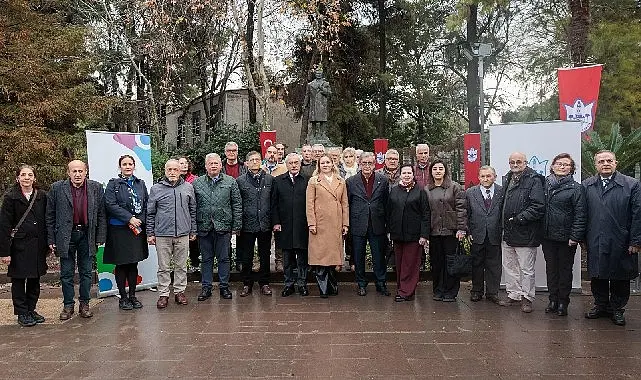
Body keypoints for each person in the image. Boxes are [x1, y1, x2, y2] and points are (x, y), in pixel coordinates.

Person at [583, 150, 641, 326]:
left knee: (620, 276)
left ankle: (617, 309)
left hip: (621, 240)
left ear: (616, 163)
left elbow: (638, 214)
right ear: (596, 165)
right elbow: (583, 213)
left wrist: (636, 241)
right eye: (601, 161)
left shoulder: (631, 184)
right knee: (597, 274)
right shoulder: (587, 185)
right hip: (595, 238)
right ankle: (600, 305)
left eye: (609, 160)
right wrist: (582, 238)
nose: (605, 164)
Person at [47, 160, 106, 320]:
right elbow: (50, 215)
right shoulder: (57, 188)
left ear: (86, 171)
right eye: (74, 171)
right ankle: (68, 305)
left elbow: (101, 214)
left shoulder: (96, 187)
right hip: (66, 236)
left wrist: (100, 236)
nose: (78, 174)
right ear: (68, 173)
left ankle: (84, 304)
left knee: (86, 272)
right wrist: (51, 238)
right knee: (66, 273)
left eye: (81, 171)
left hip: (87, 235)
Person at [0, 165, 49, 327]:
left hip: (38, 245)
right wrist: (4, 252)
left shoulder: (42, 196)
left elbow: (47, 220)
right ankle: (21, 312)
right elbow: (4, 226)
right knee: (19, 280)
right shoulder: (11, 197)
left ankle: (31, 309)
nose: (26, 178)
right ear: (17, 178)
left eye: (30, 175)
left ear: (34, 178)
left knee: (35, 279)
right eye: (23, 175)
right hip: (18, 246)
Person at [146, 159, 197, 308]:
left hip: (183, 233)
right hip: (163, 234)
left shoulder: (188, 187)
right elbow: (150, 213)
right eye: (170, 169)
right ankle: (163, 294)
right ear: (165, 170)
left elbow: (192, 210)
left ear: (180, 170)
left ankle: (179, 292)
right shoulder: (156, 189)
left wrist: (193, 230)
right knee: (163, 267)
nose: (173, 172)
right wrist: (150, 233)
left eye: (175, 169)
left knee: (181, 266)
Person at [499, 152, 545, 313]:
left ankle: (527, 298)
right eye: (512, 161)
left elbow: (538, 206)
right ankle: (514, 294)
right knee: (510, 266)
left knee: (526, 268)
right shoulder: (508, 178)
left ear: (526, 163)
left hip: (525, 231)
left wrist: (519, 218)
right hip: (508, 232)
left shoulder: (534, 180)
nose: (515, 164)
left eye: (519, 161)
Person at [192, 153, 242, 301]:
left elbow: (237, 204)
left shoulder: (231, 181)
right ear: (206, 166)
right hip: (204, 226)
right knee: (206, 259)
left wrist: (236, 225)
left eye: (216, 163)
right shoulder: (197, 183)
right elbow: (192, 206)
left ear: (221, 165)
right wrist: (194, 227)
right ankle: (206, 287)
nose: (213, 166)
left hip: (223, 226)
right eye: (210, 163)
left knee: (224, 258)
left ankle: (224, 287)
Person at [541, 153, 586, 316]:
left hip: (566, 239)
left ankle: (562, 302)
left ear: (571, 169)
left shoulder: (576, 188)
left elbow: (580, 214)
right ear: (552, 166)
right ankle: (552, 300)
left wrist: (575, 236)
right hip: (547, 237)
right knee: (551, 270)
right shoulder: (544, 185)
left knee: (565, 271)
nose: (562, 166)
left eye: (566, 164)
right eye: (559, 163)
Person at [103, 155, 149, 310]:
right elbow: (110, 204)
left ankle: (133, 296)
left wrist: (140, 219)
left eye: (130, 164)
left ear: (134, 166)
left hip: (136, 229)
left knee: (133, 264)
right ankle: (123, 298)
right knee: (122, 265)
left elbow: (146, 205)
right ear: (120, 166)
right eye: (124, 164)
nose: (128, 166)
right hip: (119, 230)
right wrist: (129, 218)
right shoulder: (113, 184)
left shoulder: (140, 184)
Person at [346, 152, 390, 296]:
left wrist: (387, 224)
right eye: (364, 163)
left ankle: (381, 282)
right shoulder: (351, 181)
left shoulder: (383, 180)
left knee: (378, 255)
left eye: (370, 163)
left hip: (377, 223)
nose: (367, 166)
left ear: (374, 164)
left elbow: (386, 202)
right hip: (358, 223)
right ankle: (361, 284)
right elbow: (348, 203)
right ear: (359, 163)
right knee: (358, 256)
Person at [306, 153, 349, 297]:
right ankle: (323, 287)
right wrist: (311, 223)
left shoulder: (341, 181)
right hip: (320, 224)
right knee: (320, 256)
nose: (325, 165)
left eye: (327, 162)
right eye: (322, 163)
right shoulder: (314, 181)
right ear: (319, 165)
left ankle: (332, 284)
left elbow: (345, 204)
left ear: (332, 164)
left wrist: (345, 223)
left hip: (336, 223)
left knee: (332, 256)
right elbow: (309, 204)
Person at [426, 160, 467, 302]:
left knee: (451, 263)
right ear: (431, 171)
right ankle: (438, 290)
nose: (438, 171)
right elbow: (424, 213)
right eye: (435, 168)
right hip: (434, 231)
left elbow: (461, 209)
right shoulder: (427, 189)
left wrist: (461, 228)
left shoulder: (454, 187)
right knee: (436, 263)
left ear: (445, 171)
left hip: (451, 231)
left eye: (440, 168)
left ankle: (451, 291)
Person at [387, 164, 430, 302]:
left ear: (413, 175)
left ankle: (406, 291)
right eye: (404, 173)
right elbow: (389, 212)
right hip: (398, 234)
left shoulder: (420, 192)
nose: (406, 175)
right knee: (399, 264)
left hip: (414, 235)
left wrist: (424, 235)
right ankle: (403, 289)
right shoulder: (394, 191)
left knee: (410, 264)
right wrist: (389, 231)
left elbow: (425, 214)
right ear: (400, 174)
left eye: (409, 173)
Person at [272, 153, 310, 296]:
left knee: (302, 258)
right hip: (285, 225)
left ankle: (302, 284)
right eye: (291, 163)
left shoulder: (307, 180)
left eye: (296, 163)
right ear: (286, 165)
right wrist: (276, 222)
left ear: (300, 164)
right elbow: (274, 203)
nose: (293, 165)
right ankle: (288, 284)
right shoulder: (278, 181)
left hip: (302, 225)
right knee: (287, 258)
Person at [236, 151, 273, 297]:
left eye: (257, 159)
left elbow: (273, 202)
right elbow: (237, 204)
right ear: (246, 163)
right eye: (251, 160)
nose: (255, 162)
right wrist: (238, 224)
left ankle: (264, 283)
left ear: (261, 161)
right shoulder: (240, 181)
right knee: (247, 255)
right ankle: (247, 283)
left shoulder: (270, 179)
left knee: (265, 254)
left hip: (265, 223)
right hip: (247, 224)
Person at [466, 166, 503, 305]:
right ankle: (476, 291)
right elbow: (466, 214)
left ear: (495, 177)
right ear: (478, 177)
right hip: (477, 234)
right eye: (483, 176)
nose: (486, 179)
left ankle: (492, 292)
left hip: (495, 233)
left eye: (489, 176)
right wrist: (468, 231)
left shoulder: (502, 191)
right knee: (476, 264)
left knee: (494, 264)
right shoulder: (470, 192)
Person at [178, 156, 201, 274]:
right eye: (181, 163)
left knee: (193, 242)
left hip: (192, 214)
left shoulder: (195, 180)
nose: (184, 165)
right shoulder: (173, 179)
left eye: (186, 163)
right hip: (178, 216)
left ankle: (195, 263)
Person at [304, 69, 331, 139]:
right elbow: (307, 95)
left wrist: (321, 88)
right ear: (315, 74)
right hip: (313, 104)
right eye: (317, 74)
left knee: (323, 120)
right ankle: (313, 134)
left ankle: (323, 134)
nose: (318, 75)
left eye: (320, 74)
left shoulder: (326, 83)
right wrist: (305, 104)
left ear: (322, 74)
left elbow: (329, 93)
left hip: (322, 104)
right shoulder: (310, 84)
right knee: (313, 120)